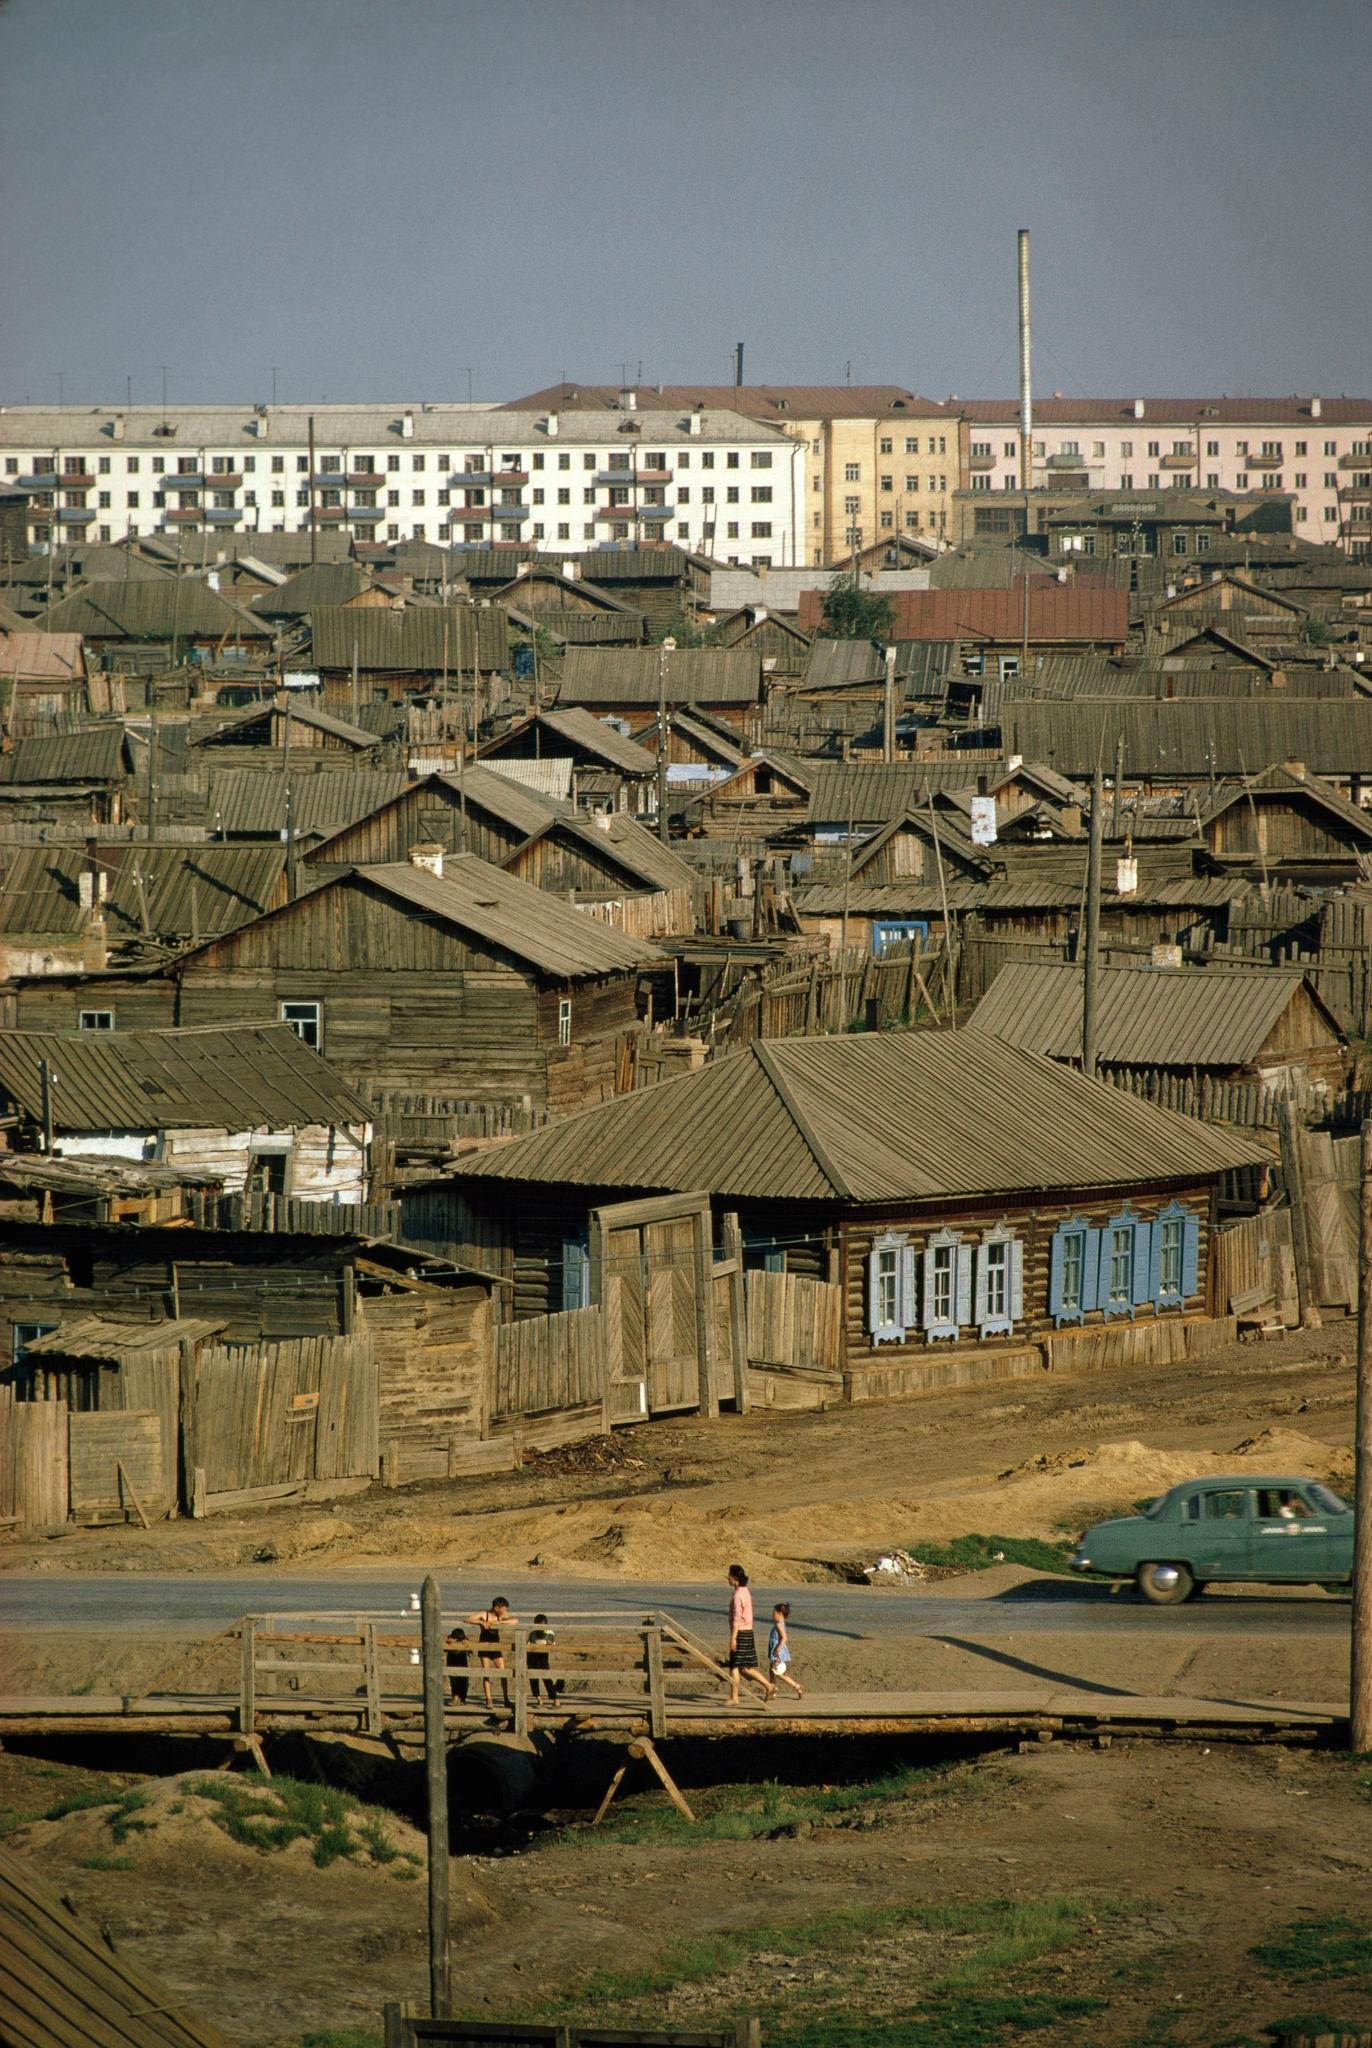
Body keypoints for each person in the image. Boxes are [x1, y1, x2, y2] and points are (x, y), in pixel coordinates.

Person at [725, 1564, 773, 1705]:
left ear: (735, 1578)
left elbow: (737, 1619)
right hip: (748, 1631)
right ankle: (769, 1686)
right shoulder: (745, 1591)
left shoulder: (738, 1595)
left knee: (734, 1666)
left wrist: (733, 1638)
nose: (727, 1578)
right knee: (744, 1668)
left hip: (741, 1632)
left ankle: (734, 1697)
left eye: (729, 1576)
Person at [467, 1596, 516, 1710]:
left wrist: (499, 1623)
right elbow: (468, 1619)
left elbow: (515, 1621)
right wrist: (481, 1622)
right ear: (496, 1608)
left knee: (503, 1673)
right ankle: (488, 1699)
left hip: (496, 1647)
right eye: (504, 1608)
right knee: (486, 1673)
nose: (505, 1611)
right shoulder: (485, 1614)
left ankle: (506, 1698)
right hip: (484, 1646)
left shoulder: (501, 1616)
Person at [768, 1603, 804, 1699]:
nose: (772, 1615)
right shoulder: (779, 1623)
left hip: (778, 1652)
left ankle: (797, 1686)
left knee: (778, 1673)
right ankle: (773, 1692)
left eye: (774, 1613)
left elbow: (784, 1638)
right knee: (772, 1671)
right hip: (776, 1651)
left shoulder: (779, 1624)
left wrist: (777, 1649)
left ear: (780, 1613)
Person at [528, 1613, 561, 1702]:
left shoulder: (549, 1633)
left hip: (542, 1655)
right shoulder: (532, 1633)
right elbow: (529, 1643)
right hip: (532, 1656)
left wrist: (544, 1644)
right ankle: (538, 1697)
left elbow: (551, 1643)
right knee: (533, 1678)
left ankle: (554, 1698)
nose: (540, 1628)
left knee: (546, 1677)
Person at [445, 1624, 471, 1705]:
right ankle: (455, 1698)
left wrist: (466, 1644)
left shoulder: (465, 1640)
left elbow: (470, 1650)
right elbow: (445, 1648)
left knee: (463, 1681)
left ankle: (462, 1699)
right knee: (454, 1681)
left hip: (462, 1662)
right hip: (452, 1662)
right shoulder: (450, 1640)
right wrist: (449, 1642)